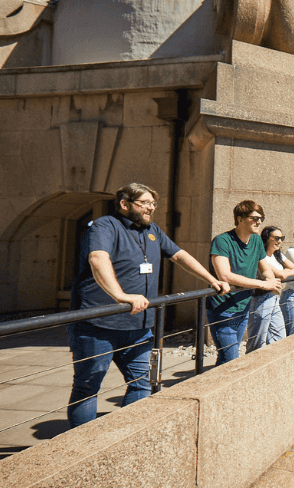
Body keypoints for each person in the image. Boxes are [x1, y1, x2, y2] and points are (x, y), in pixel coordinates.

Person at [68, 182, 230, 428]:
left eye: (153, 204)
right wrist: (122, 296)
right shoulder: (105, 226)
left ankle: (125, 436)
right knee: (88, 387)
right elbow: (97, 258)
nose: (151, 208)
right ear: (124, 204)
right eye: (144, 203)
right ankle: (80, 446)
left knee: (143, 383)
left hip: (139, 325)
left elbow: (179, 255)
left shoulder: (152, 230)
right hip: (98, 324)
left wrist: (212, 279)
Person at [209, 200, 282, 365]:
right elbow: (225, 275)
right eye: (254, 218)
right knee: (230, 359)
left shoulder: (256, 241)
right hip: (223, 309)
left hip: (243, 306)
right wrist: (262, 284)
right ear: (240, 218)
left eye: (261, 218)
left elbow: (265, 268)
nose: (259, 222)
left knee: (227, 359)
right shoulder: (222, 241)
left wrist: (270, 279)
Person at [246, 226, 294, 352]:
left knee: (279, 337)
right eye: (276, 238)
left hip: (275, 298)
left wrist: (285, 273)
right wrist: (285, 272)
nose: (280, 241)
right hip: (261, 299)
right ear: (266, 239)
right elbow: (282, 275)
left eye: (282, 238)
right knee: (257, 340)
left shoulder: (278, 255)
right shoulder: (262, 257)